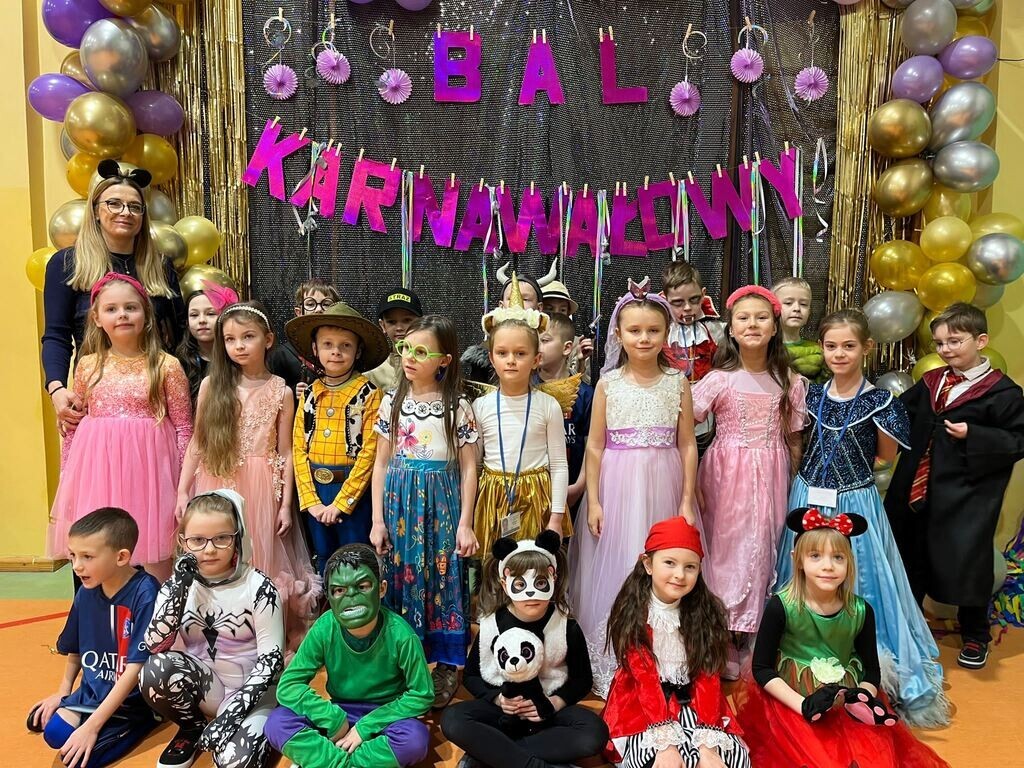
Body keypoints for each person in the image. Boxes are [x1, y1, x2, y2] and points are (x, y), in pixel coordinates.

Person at [774, 309, 947, 726]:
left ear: (867, 347)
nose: (839, 354)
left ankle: (863, 665)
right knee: (804, 575)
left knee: (860, 577)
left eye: (849, 346)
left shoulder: (882, 402)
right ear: (821, 347)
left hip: (855, 502)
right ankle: (804, 657)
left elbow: (885, 456)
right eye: (831, 346)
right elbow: (799, 441)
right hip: (808, 498)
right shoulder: (810, 395)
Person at [569, 277, 698, 696]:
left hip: (664, 482)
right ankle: (616, 656)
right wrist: (593, 501)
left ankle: (663, 654)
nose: (644, 338)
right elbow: (594, 444)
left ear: (666, 333)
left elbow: (687, 444)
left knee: (663, 561)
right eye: (635, 330)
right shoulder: (609, 384)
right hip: (618, 484)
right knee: (622, 561)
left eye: (653, 330)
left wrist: (686, 499)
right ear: (619, 334)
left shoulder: (678, 382)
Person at [740, 509, 949, 768]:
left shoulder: (861, 611)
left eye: (838, 557)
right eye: (815, 556)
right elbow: (762, 668)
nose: (828, 566)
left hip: (845, 697)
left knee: (871, 758)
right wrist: (803, 705)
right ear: (798, 560)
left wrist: (860, 697)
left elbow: (871, 670)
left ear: (849, 562)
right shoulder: (781, 607)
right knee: (813, 757)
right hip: (792, 697)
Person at [885, 302, 1024, 671]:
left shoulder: (1003, 392)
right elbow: (900, 414)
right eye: (939, 343)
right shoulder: (932, 382)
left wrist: (974, 434)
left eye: (954, 341)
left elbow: (1018, 440)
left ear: (981, 341)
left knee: (966, 560)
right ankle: (909, 625)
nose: (945, 349)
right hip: (916, 487)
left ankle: (975, 633)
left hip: (966, 494)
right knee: (909, 552)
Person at [178, 301, 320, 643]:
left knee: (257, 555)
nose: (238, 346)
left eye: (248, 337)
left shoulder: (281, 390)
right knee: (217, 551)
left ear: (267, 340)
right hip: (217, 479)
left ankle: (260, 634)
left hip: (261, 485)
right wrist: (183, 490)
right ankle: (219, 631)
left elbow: (285, 451)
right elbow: (198, 442)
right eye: (230, 339)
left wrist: (286, 504)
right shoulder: (212, 386)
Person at [692, 285, 806, 677]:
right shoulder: (718, 380)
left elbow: (794, 438)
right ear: (731, 329)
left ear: (774, 327)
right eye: (743, 318)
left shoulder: (789, 381)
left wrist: (794, 482)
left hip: (771, 472)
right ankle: (721, 634)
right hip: (724, 475)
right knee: (724, 550)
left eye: (761, 318)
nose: (752, 324)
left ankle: (755, 636)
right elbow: (685, 422)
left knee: (763, 548)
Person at [47, 273, 192, 581]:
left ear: (146, 314)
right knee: (103, 556)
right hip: (99, 475)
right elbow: (74, 425)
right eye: (111, 309)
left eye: (131, 307)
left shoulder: (166, 366)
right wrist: (67, 475)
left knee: (156, 562)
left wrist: (182, 484)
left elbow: (183, 428)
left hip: (152, 478)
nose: (122, 314)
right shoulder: (88, 365)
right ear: (97, 318)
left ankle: (157, 612)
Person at [370, 315, 480, 709]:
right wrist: (377, 520)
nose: (409, 358)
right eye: (405, 349)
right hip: (400, 506)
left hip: (442, 505)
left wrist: (465, 523)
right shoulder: (392, 402)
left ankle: (447, 666)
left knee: (443, 577)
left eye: (421, 352)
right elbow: (381, 463)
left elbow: (469, 468)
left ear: (444, 360)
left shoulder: (457, 406)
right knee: (401, 577)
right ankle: (404, 663)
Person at [141, 490, 285, 768]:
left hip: (255, 694)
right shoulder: (176, 586)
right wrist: (180, 589)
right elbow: (155, 645)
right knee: (155, 669)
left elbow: (272, 662)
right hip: (210, 689)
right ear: (183, 541)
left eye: (221, 538)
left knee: (234, 763)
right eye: (197, 540)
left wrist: (231, 715)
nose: (209, 550)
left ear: (237, 538)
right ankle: (192, 728)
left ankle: (250, 727)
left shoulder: (259, 587)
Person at [441, 532, 609, 768]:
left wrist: (556, 702)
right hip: (502, 714)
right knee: (453, 719)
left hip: (548, 712)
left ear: (553, 578)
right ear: (504, 584)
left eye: (540, 583)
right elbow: (471, 676)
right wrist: (498, 699)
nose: (531, 594)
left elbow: (583, 680)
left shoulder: (566, 626)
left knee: (594, 732)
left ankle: (491, 755)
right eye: (520, 584)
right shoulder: (491, 624)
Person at [43, 160, 184, 436]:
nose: (125, 212)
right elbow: (56, 335)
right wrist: (56, 389)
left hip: (153, 407)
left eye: (134, 206)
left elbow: (180, 336)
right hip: (95, 405)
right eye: (114, 204)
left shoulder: (160, 266)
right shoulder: (67, 264)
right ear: (95, 210)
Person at [264, 543, 433, 768]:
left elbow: (422, 694)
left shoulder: (401, 635)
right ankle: (346, 761)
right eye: (339, 590)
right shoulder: (325, 628)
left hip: (386, 715)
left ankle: (332, 759)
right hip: (340, 712)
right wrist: (332, 718)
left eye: (362, 586)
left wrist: (366, 727)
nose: (351, 596)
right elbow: (288, 685)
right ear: (329, 596)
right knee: (277, 723)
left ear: (381, 589)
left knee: (415, 739)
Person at [603, 517, 749, 768]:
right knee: (659, 761)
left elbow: (708, 677)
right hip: (643, 701)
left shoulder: (704, 612)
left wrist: (708, 746)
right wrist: (666, 746)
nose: (680, 575)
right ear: (648, 564)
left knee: (730, 759)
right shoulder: (634, 613)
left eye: (690, 567)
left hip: (693, 697)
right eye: (669, 563)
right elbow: (645, 681)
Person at [28, 508, 160, 768]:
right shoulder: (86, 590)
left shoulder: (145, 592)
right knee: (50, 731)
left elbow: (135, 667)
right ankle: (91, 719)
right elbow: (76, 646)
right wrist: (63, 693)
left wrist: (92, 727)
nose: (77, 566)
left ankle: (144, 720)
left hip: (130, 702)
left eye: (87, 556)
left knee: (77, 761)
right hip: (93, 691)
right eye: (73, 555)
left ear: (121, 557)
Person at [286, 302, 390, 573]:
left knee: (356, 557)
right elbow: (298, 447)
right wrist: (311, 501)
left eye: (345, 345)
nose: (336, 351)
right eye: (328, 344)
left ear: (358, 352)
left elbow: (370, 453)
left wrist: (342, 503)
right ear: (315, 349)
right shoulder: (310, 393)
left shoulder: (369, 394)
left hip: (353, 491)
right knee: (323, 556)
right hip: (316, 491)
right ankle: (327, 600)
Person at [472, 274, 570, 555]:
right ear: (491, 358)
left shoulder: (548, 406)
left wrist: (556, 518)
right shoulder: (481, 406)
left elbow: (559, 466)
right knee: (494, 570)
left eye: (521, 353)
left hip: (537, 498)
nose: (511, 360)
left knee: (535, 567)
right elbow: (474, 465)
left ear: (536, 359)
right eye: (502, 353)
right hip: (493, 497)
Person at [661, 263, 725, 455]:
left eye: (694, 300)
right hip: (668, 414)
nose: (688, 308)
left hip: (706, 419)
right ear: (665, 299)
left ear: (703, 294)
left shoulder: (715, 330)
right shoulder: (660, 331)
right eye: (678, 303)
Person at [536, 312, 592, 526]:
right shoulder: (526, 390)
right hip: (533, 491)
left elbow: (592, 446)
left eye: (545, 340)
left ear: (567, 348)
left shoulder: (585, 394)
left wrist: (579, 486)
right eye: (535, 340)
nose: (538, 346)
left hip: (574, 490)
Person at [461, 269, 547, 384]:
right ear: (501, 306)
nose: (518, 305)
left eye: (525, 299)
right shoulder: (484, 355)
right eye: (510, 298)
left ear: (539, 308)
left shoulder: (548, 348)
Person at [268, 278, 341, 398]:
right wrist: (291, 392)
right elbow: (271, 395)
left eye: (326, 304)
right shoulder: (282, 355)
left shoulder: (343, 350)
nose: (318, 309)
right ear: (298, 312)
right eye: (310, 304)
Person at [176, 281, 239, 407]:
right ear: (187, 322)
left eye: (210, 314)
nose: (202, 320)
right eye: (194, 315)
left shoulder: (237, 358)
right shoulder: (180, 362)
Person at [365, 287, 424, 392]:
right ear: (382, 325)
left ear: (421, 322)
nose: (399, 328)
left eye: (407, 320)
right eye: (392, 322)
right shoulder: (373, 374)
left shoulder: (433, 364)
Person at [772, 276, 828, 383]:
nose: (797, 308)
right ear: (774, 308)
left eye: (803, 304)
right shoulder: (763, 350)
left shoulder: (818, 352)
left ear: (809, 311)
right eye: (788, 303)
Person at [541, 279, 594, 382]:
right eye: (549, 309)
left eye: (562, 310)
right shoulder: (529, 339)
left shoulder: (577, 344)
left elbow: (583, 385)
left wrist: (581, 361)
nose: (556, 314)